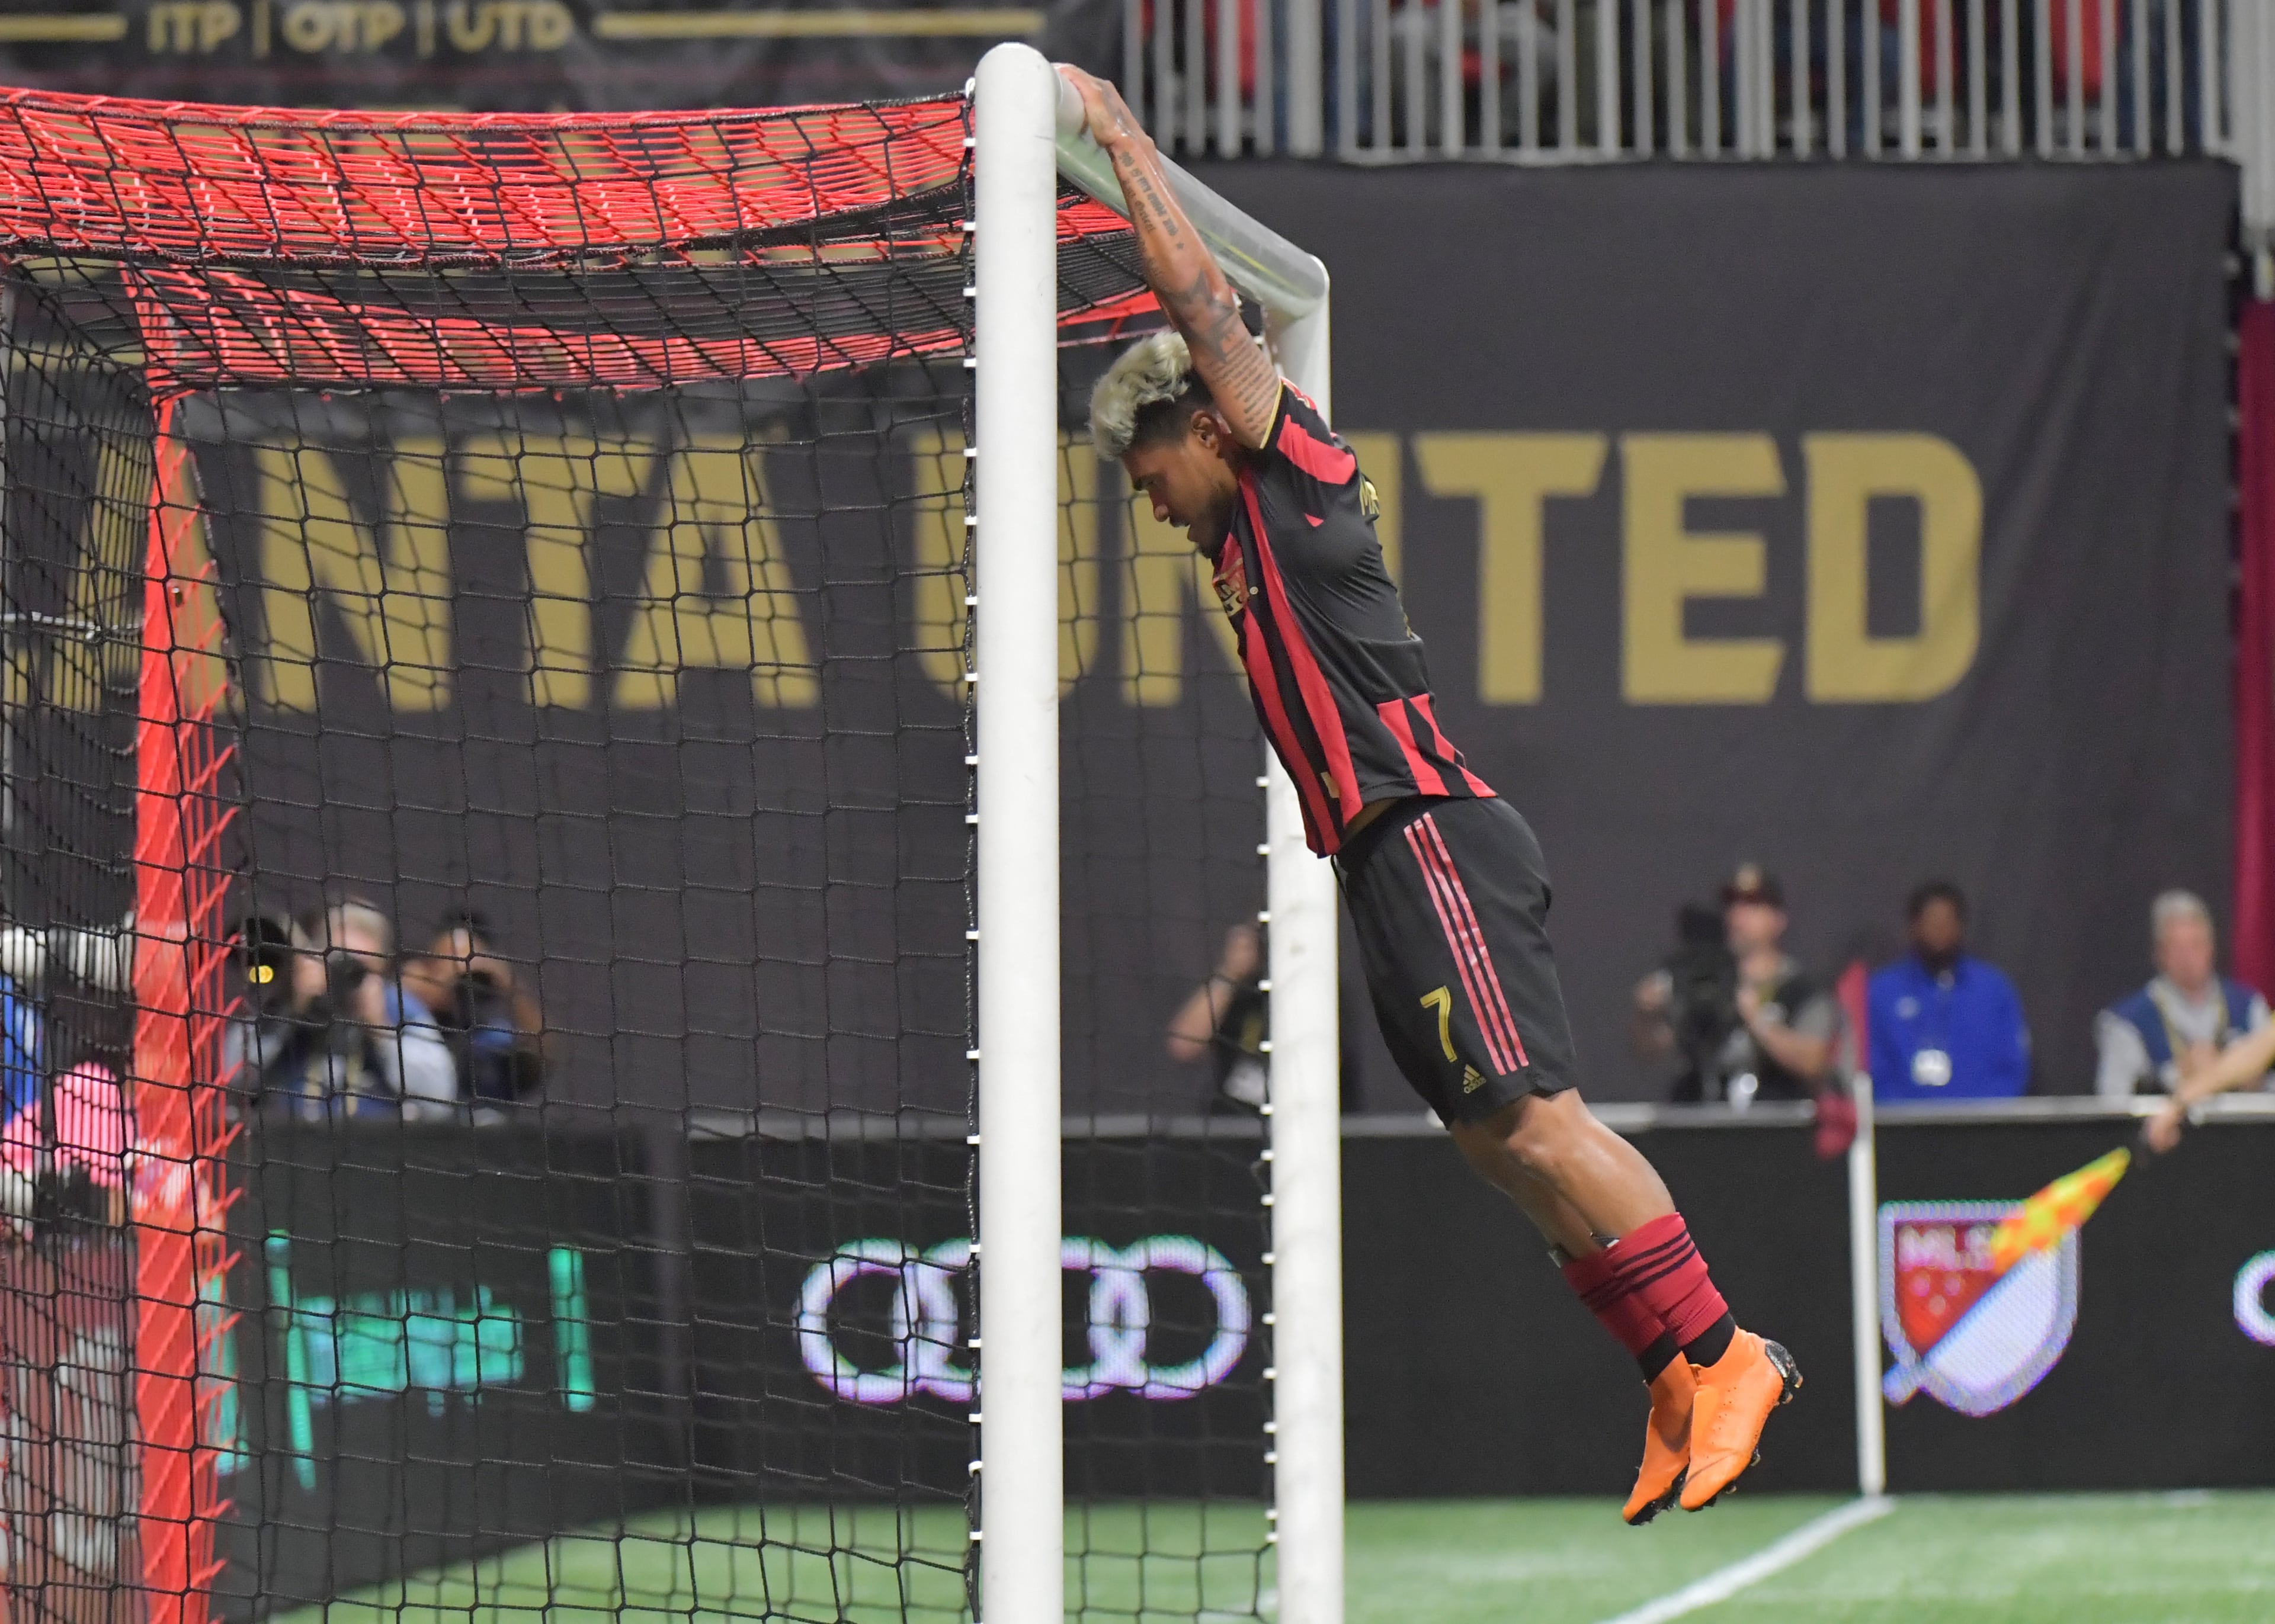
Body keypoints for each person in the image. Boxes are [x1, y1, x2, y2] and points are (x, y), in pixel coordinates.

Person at [1062, 61, 1799, 1526]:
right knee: (1489, 1143)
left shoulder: (1296, 468)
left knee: (1536, 1115)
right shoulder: (1233, 544)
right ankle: (1663, 1365)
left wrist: (1116, 143)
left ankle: (1727, 1352)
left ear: (1205, 424)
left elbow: (1208, 311)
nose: (1138, 495)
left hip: (1432, 835)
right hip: (1377, 866)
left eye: (1144, 463)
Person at [1632, 865, 1842, 1108]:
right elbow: (1652, 1048)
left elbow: (1814, 1063)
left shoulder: (1802, 990)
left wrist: (1756, 1020)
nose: (1739, 916)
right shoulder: (1699, 977)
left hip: (1775, 1126)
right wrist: (1647, 1016)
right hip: (1702, 1119)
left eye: (1753, 905)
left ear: (1778, 918)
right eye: (1732, 904)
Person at [237, 900, 458, 1121]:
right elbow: (233, 1077)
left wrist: (381, 1030)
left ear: (382, 967)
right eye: (337, 962)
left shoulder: (400, 1008)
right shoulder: (293, 1001)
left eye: (360, 967)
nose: (346, 975)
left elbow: (439, 1099)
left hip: (377, 1144)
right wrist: (290, 1012)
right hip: (289, 1139)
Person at [2096, 890, 2269, 1103]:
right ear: (2160, 954)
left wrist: (2242, 1074)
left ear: (2211, 947)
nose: (2187, 958)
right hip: (2165, 1131)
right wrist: (2174, 1077)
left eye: (2195, 945)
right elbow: (2112, 1105)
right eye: (2177, 948)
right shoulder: (2128, 1021)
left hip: (2245, 1134)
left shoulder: (2249, 1005)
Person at [1867, 882, 2031, 1102]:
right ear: (1914, 926)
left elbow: (2012, 1068)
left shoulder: (1994, 989)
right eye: (1932, 922)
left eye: (1947, 922)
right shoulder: (1882, 991)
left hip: (1980, 1129)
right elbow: (1872, 1071)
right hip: (1902, 1129)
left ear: (1961, 926)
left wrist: (1979, 1118)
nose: (1939, 931)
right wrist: (1905, 1118)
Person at [399, 912, 549, 1110]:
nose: (461, 975)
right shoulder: (409, 1016)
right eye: (450, 962)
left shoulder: (488, 1033)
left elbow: (542, 1060)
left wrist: (511, 987)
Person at [1165, 923, 1268, 1110]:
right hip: (1233, 1126)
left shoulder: (1329, 1000)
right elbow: (1184, 1044)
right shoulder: (1243, 996)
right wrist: (1232, 972)